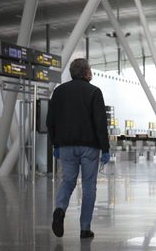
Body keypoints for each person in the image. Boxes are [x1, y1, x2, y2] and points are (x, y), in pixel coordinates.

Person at [46, 58, 110, 239]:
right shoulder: (94, 92)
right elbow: (100, 123)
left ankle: (59, 210)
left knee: (68, 181)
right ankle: (84, 228)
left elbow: (50, 121)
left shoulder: (59, 92)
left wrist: (55, 144)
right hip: (89, 147)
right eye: (90, 70)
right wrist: (105, 149)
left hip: (66, 146)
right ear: (86, 73)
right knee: (89, 186)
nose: (91, 72)